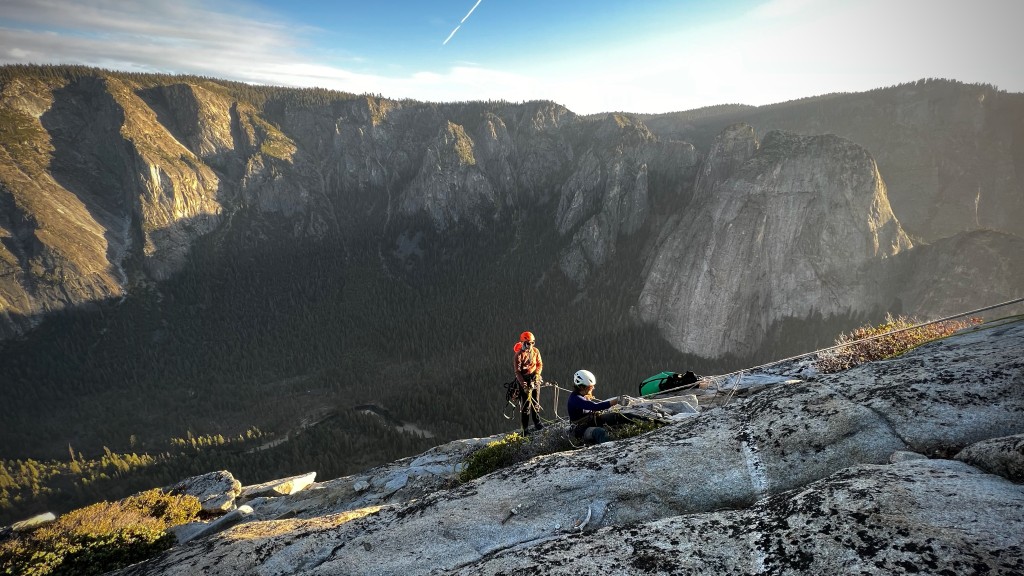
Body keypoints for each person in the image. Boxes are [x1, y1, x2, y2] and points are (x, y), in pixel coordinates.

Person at [567, 369, 632, 444]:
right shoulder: (575, 399)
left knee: (618, 416)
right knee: (600, 433)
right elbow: (596, 407)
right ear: (582, 387)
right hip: (581, 430)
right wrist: (616, 401)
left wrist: (586, 398)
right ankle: (608, 450)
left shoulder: (581, 396)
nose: (593, 388)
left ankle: (646, 421)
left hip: (591, 421)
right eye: (591, 387)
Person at [513, 330, 544, 434]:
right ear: (522, 343)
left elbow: (539, 364)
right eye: (528, 343)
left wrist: (537, 375)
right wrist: (523, 384)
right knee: (526, 405)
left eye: (532, 343)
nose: (530, 345)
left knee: (535, 402)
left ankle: (537, 423)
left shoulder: (535, 351)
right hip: (524, 379)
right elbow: (517, 372)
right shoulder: (518, 355)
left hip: (534, 378)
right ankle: (525, 429)